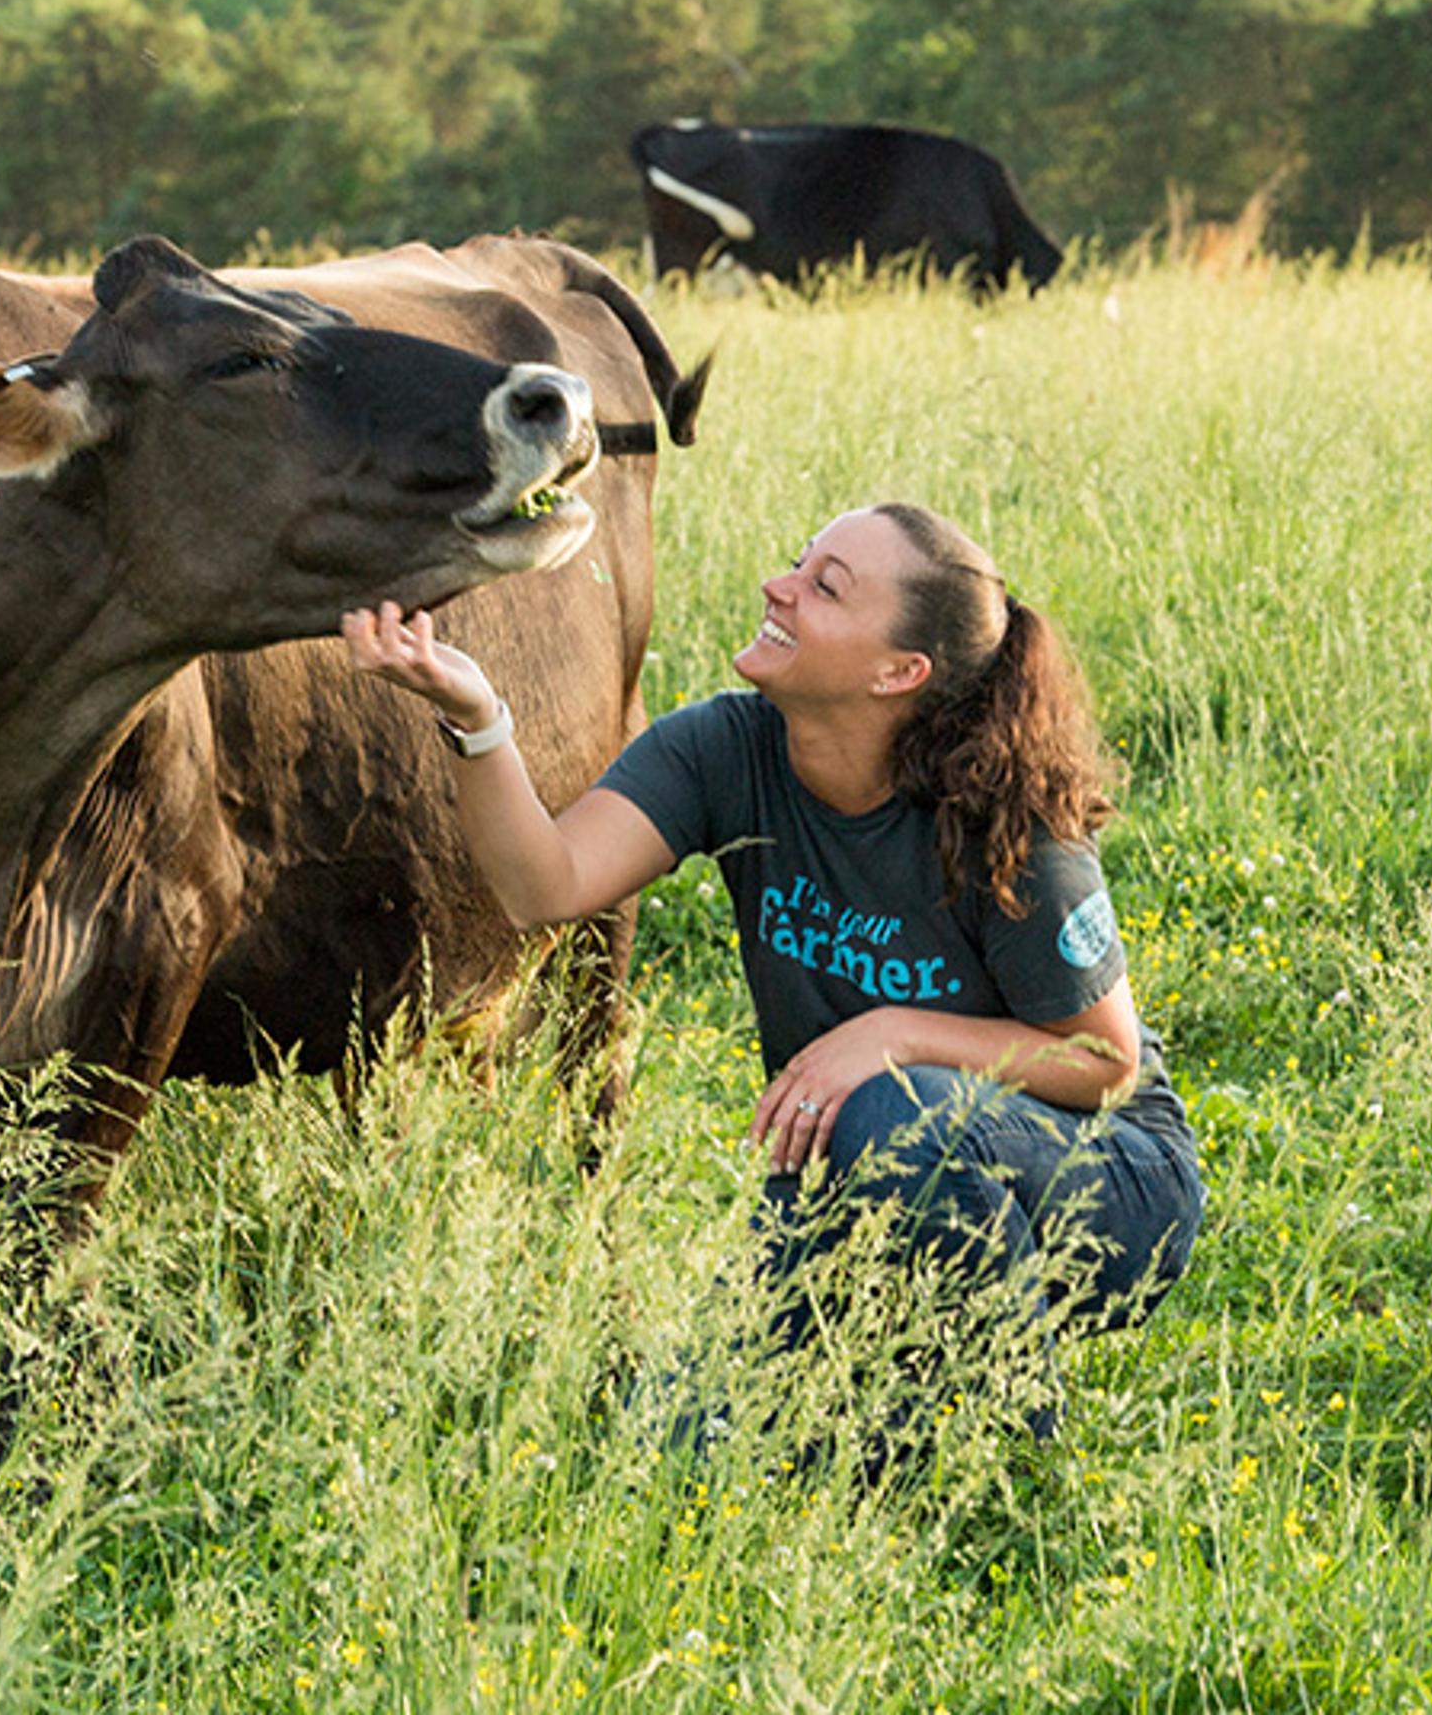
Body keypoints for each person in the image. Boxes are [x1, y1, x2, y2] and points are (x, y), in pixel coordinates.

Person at [341, 501, 1203, 1448]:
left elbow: (1103, 1062)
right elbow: (542, 886)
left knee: (890, 1111)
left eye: (824, 587)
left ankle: (1006, 1449)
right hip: (847, 1170)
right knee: (669, 1442)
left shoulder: (1008, 817)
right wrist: (478, 718)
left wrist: (891, 1036)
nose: (776, 587)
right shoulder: (726, 749)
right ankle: (896, 1405)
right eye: (798, 562)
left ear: (898, 672)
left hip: (1106, 1181)